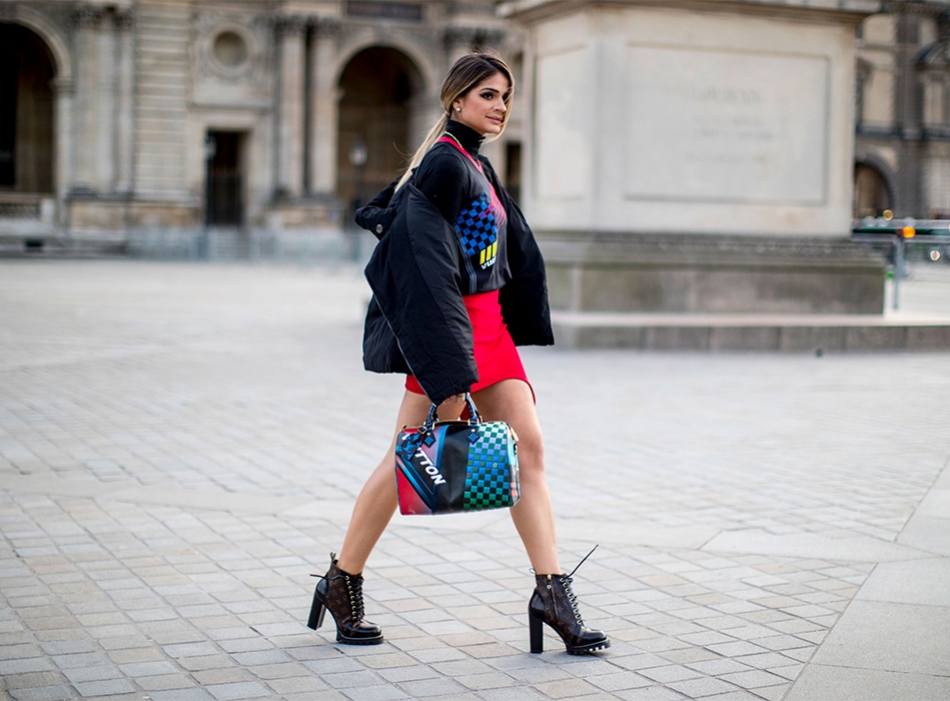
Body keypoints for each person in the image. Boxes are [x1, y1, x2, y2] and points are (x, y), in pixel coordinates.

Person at [306, 53, 609, 656]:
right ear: (456, 99)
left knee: (528, 451)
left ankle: (551, 594)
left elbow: (493, 254)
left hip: (489, 328)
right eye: (488, 94)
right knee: (407, 460)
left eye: (506, 96)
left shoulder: (474, 161)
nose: (500, 106)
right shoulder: (446, 163)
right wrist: (449, 372)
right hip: (451, 333)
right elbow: (423, 267)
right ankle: (342, 579)